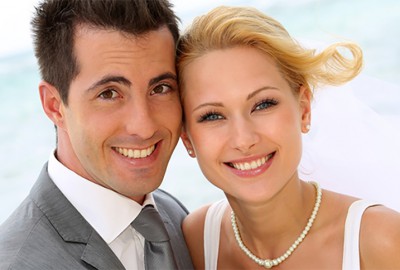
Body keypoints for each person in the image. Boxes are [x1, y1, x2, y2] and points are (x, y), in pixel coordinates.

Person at [177, 6, 400, 269]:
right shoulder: (198, 237)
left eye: (263, 104)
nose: (243, 139)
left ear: (303, 109)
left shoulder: (382, 241)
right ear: (187, 139)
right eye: (212, 116)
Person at [0, 0, 193, 269]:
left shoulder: (174, 215)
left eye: (160, 88)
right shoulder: (17, 262)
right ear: (54, 106)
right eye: (109, 93)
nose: (144, 126)